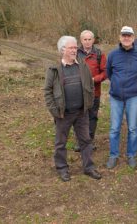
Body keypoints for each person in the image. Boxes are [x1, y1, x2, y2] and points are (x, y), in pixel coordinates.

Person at [44, 35, 101, 181]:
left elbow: (89, 85)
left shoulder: (83, 66)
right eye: (71, 47)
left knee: (86, 141)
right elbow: (47, 92)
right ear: (62, 50)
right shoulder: (54, 70)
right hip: (64, 114)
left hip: (81, 112)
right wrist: (55, 111)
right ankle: (62, 168)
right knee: (60, 143)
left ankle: (89, 168)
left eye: (75, 47)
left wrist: (87, 105)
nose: (75, 50)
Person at [106, 26, 137, 170]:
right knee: (114, 128)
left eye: (129, 35)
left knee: (132, 128)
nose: (126, 38)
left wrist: (136, 86)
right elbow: (109, 73)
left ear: (133, 37)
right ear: (120, 37)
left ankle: (131, 155)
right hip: (116, 97)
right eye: (124, 35)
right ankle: (113, 155)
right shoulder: (112, 55)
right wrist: (117, 85)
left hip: (133, 96)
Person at [72, 30, 107, 152]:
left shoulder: (99, 54)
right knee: (79, 116)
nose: (87, 42)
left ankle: (89, 141)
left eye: (89, 39)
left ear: (93, 40)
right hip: (78, 92)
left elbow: (105, 72)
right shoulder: (75, 53)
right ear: (81, 40)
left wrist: (94, 80)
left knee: (92, 117)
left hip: (94, 92)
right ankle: (79, 141)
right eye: (85, 39)